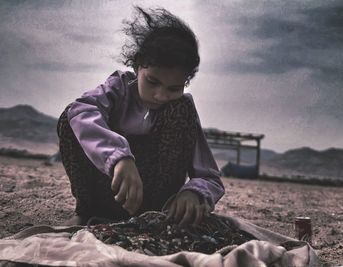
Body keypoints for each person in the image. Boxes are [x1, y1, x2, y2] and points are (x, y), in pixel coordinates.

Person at [57, 6, 224, 227]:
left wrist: (193, 193)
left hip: (156, 208)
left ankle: (153, 217)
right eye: (153, 82)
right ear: (137, 65)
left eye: (174, 88)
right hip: (109, 194)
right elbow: (81, 110)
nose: (161, 95)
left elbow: (210, 178)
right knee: (70, 117)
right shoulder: (118, 89)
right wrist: (118, 157)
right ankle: (85, 212)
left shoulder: (180, 108)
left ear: (186, 82)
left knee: (181, 107)